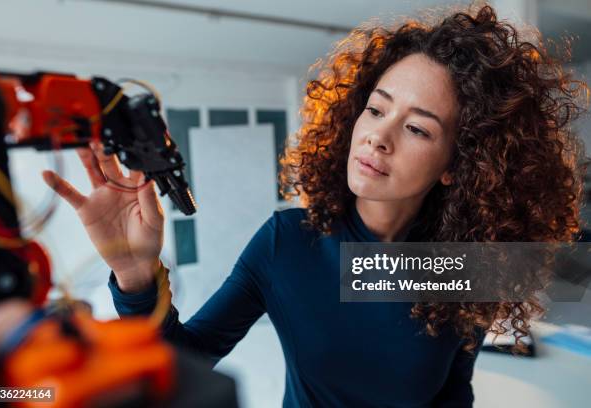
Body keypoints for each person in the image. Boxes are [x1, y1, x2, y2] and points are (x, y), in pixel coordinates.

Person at [42, 4, 589, 407]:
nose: (378, 137)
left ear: (458, 163)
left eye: (417, 127)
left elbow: (453, 392)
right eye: (376, 110)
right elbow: (188, 358)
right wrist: (136, 276)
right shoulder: (288, 243)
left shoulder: (461, 267)